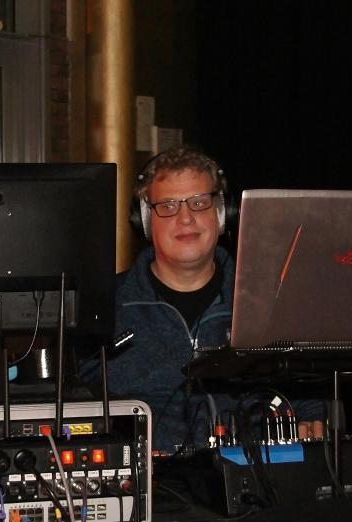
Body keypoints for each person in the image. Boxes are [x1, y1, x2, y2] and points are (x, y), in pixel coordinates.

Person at [88, 145, 324, 456]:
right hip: (149, 483)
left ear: (222, 213)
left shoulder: (271, 301)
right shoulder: (102, 306)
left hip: (257, 477)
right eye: (168, 206)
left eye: (199, 203)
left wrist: (311, 421)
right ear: (145, 221)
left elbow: (310, 397)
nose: (185, 219)